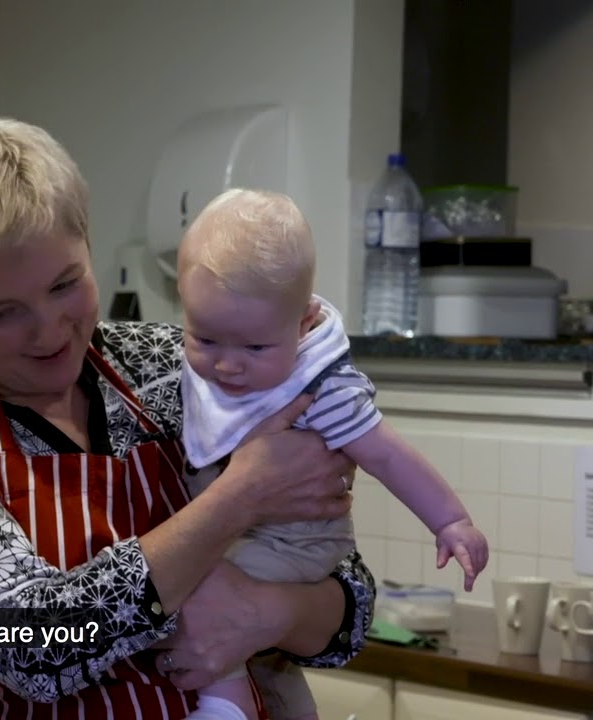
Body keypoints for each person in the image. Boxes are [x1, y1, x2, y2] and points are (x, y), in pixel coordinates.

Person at [0, 117, 377, 720]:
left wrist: (267, 612)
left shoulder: (169, 366)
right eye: (3, 313)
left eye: (66, 284)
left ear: (87, 243)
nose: (50, 331)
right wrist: (239, 499)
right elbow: (33, 649)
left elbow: (348, 594)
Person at [174, 188, 489, 720]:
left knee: (198, 587)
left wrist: (451, 519)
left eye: (253, 348)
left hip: (297, 542)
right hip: (246, 533)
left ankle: (222, 707)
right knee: (268, 662)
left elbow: (386, 455)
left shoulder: (322, 389)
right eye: (205, 340)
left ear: (303, 325)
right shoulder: (185, 366)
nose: (226, 367)